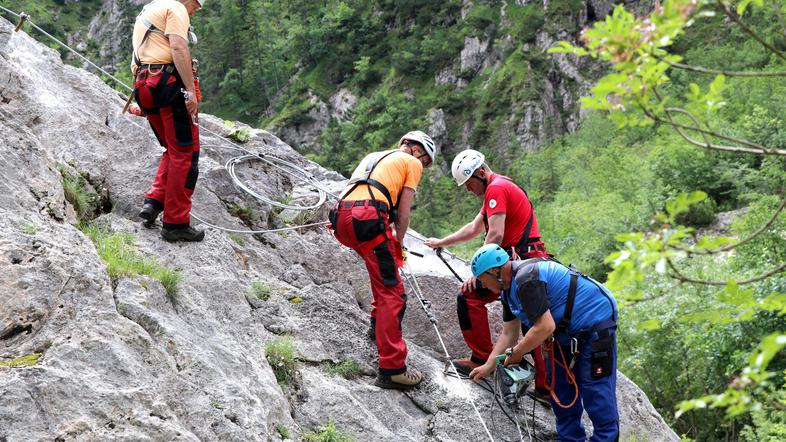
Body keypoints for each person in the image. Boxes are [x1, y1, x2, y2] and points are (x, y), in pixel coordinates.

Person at [423, 149, 551, 402]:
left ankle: (482, 358)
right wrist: (442, 242)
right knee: (530, 319)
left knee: (471, 297)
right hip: (522, 261)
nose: (468, 190)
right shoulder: (499, 187)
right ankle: (545, 387)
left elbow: (495, 235)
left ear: (480, 173)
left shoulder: (496, 189)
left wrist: (479, 270)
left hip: (518, 264)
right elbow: (474, 228)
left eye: (469, 183)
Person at [467, 244, 619, 441]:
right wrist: (489, 364)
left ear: (494, 270)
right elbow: (508, 333)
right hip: (564, 332)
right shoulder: (507, 291)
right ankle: (569, 439)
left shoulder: (526, 278)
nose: (483, 285)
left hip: (595, 324)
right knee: (560, 388)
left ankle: (606, 438)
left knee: (595, 391)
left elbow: (545, 326)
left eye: (482, 279)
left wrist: (518, 352)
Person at [329, 131, 436, 390]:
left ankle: (377, 326)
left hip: (341, 217)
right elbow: (403, 213)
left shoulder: (374, 157)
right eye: (425, 162)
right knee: (394, 293)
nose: (422, 167)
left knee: (382, 273)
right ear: (418, 151)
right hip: (367, 218)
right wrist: (398, 246)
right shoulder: (411, 163)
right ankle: (392, 368)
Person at [131, 0, 205, 242]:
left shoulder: (150, 10)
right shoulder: (176, 8)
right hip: (166, 84)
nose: (194, 12)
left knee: (172, 150)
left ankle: (153, 202)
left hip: (144, 83)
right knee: (186, 153)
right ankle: (176, 223)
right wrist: (189, 91)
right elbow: (178, 47)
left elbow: (139, 58)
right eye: (196, 7)